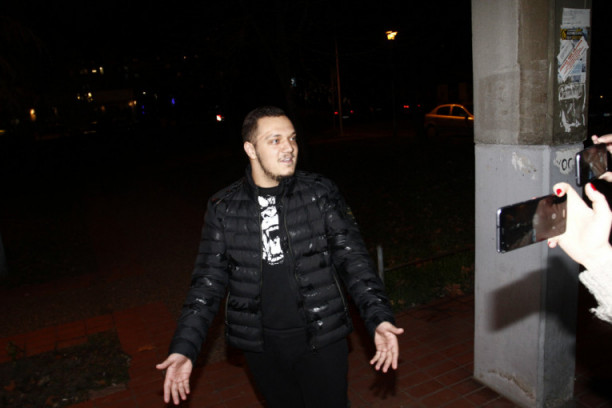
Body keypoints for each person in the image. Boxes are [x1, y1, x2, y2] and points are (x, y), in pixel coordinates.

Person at [156, 106, 404, 407]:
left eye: (292, 138)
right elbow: (207, 283)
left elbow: (354, 261)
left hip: (322, 337)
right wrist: (185, 348)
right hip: (262, 347)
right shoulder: (224, 207)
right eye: (275, 140)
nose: (289, 148)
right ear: (250, 149)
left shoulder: (319, 193)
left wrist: (379, 318)